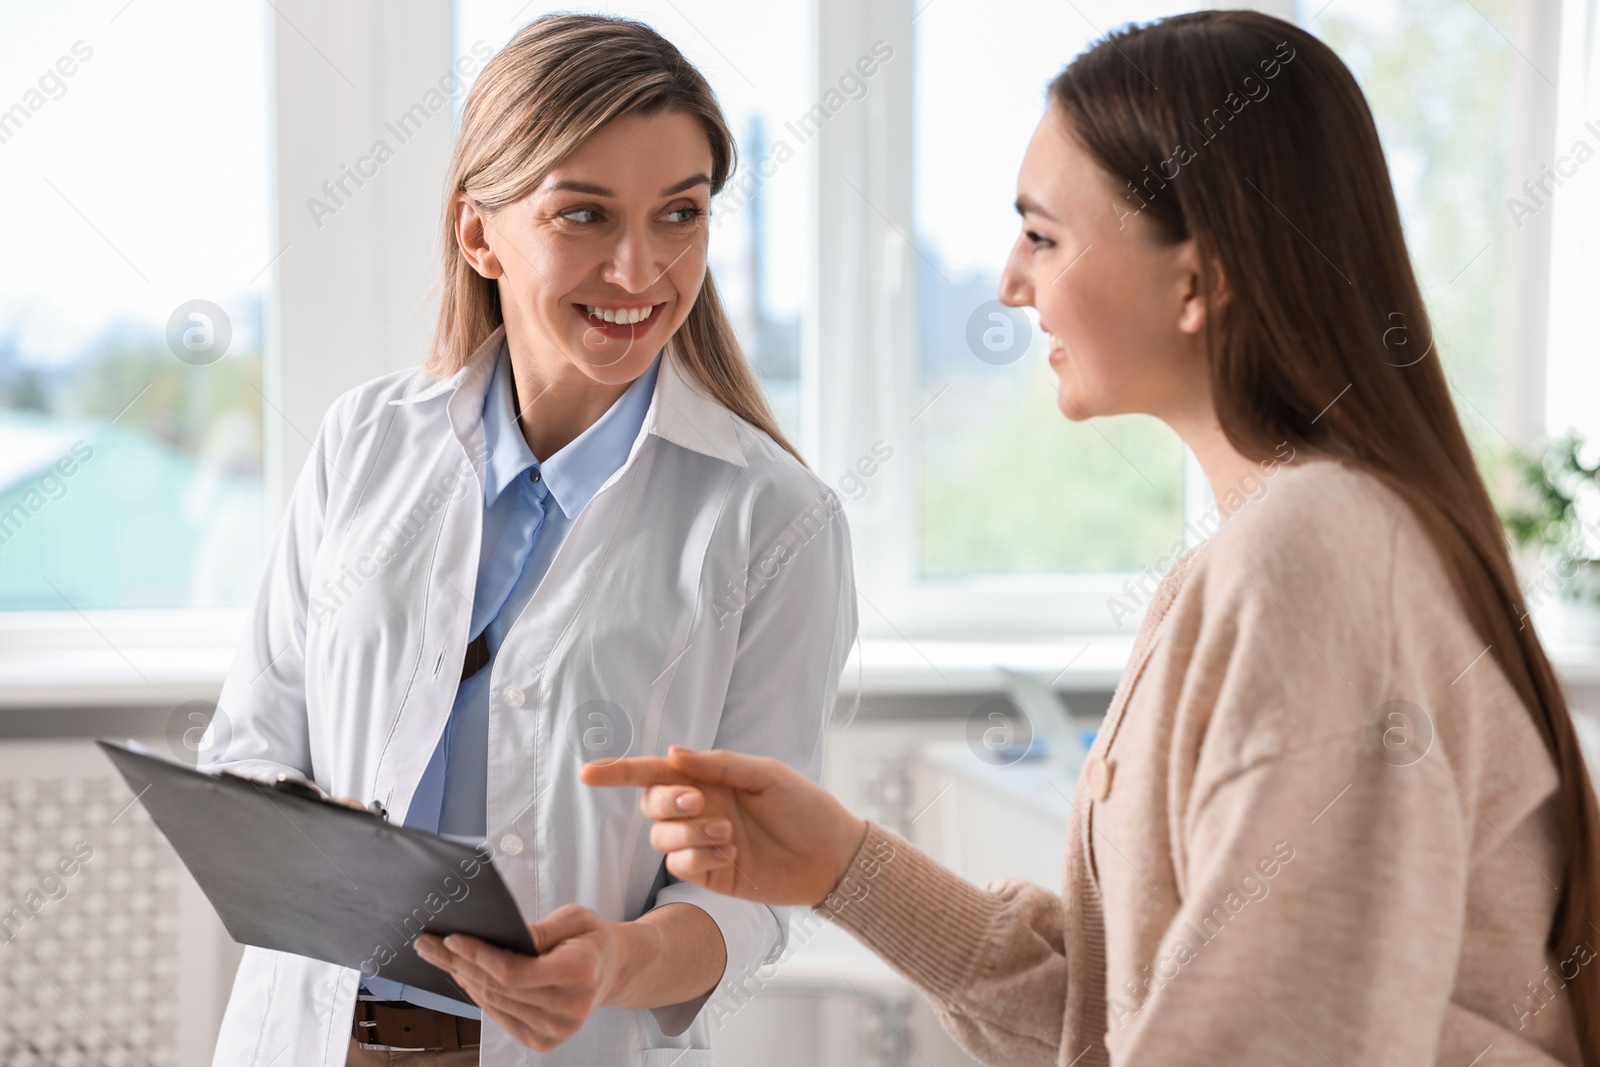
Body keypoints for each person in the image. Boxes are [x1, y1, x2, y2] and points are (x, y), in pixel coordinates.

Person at [584, 10, 1598, 1067]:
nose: (1009, 282)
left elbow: (1262, 1040)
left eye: (1043, 235)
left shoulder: (1316, 552)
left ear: (1200, 278)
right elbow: (1122, 1011)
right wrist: (842, 862)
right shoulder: (1266, 547)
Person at [202, 14, 856, 1066]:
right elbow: (249, 744)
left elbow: (753, 892)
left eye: (679, 213)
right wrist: (295, 830)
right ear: (478, 234)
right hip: (309, 1039)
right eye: (585, 214)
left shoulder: (775, 519)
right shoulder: (363, 441)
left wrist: (617, 961)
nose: (640, 268)